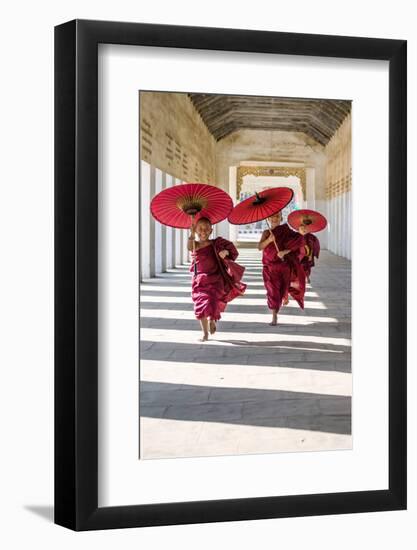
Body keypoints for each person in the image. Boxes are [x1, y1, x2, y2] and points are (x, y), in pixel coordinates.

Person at [188, 217, 246, 341]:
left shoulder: (216, 244)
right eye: (200, 229)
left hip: (215, 279)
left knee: (213, 302)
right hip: (200, 280)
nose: (203, 232)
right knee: (200, 305)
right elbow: (189, 247)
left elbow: (232, 251)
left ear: (211, 230)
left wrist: (225, 252)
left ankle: (212, 319)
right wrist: (191, 234)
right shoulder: (195, 244)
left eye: (206, 229)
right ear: (196, 230)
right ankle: (205, 333)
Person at [258, 212, 305, 325]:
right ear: (268, 218)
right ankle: (274, 316)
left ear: (281, 218)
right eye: (272, 216)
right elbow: (260, 247)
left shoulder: (286, 231)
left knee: (282, 288)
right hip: (269, 267)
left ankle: (284, 295)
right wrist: (269, 240)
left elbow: (296, 244)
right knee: (273, 291)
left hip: (283, 266)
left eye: (277, 216)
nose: (274, 218)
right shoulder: (266, 233)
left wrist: (285, 251)